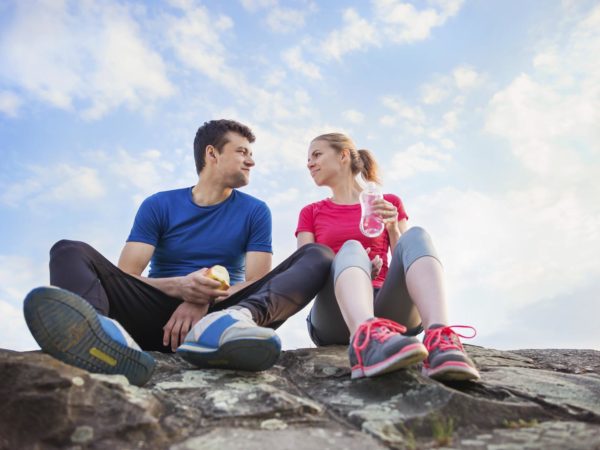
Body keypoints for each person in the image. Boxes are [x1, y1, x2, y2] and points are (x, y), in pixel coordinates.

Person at [23, 119, 333, 386]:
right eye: (242, 152)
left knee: (317, 254)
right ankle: (101, 337)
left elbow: (257, 280)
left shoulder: (255, 211)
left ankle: (228, 328)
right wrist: (182, 287)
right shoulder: (159, 204)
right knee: (68, 250)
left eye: (251, 154)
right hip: (154, 314)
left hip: (225, 313)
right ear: (211, 153)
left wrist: (203, 297)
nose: (251, 161)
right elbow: (128, 274)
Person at [296, 132, 479, 381]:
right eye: (308, 158)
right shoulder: (311, 212)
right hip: (335, 315)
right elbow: (304, 272)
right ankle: (365, 340)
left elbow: (406, 258)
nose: (309, 163)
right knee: (352, 248)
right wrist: (353, 270)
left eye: (316, 154)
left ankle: (439, 338)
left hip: (389, 308)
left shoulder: (387, 202)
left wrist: (392, 227)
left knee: (416, 235)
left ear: (343, 155)